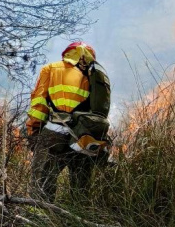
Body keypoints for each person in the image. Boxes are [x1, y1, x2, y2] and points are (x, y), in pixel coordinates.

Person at [26, 42, 111, 201]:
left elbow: (38, 107)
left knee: (41, 184)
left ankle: (38, 220)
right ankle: (75, 220)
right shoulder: (94, 74)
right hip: (82, 137)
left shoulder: (51, 69)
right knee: (80, 189)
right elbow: (99, 111)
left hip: (53, 133)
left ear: (67, 54)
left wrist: (34, 133)